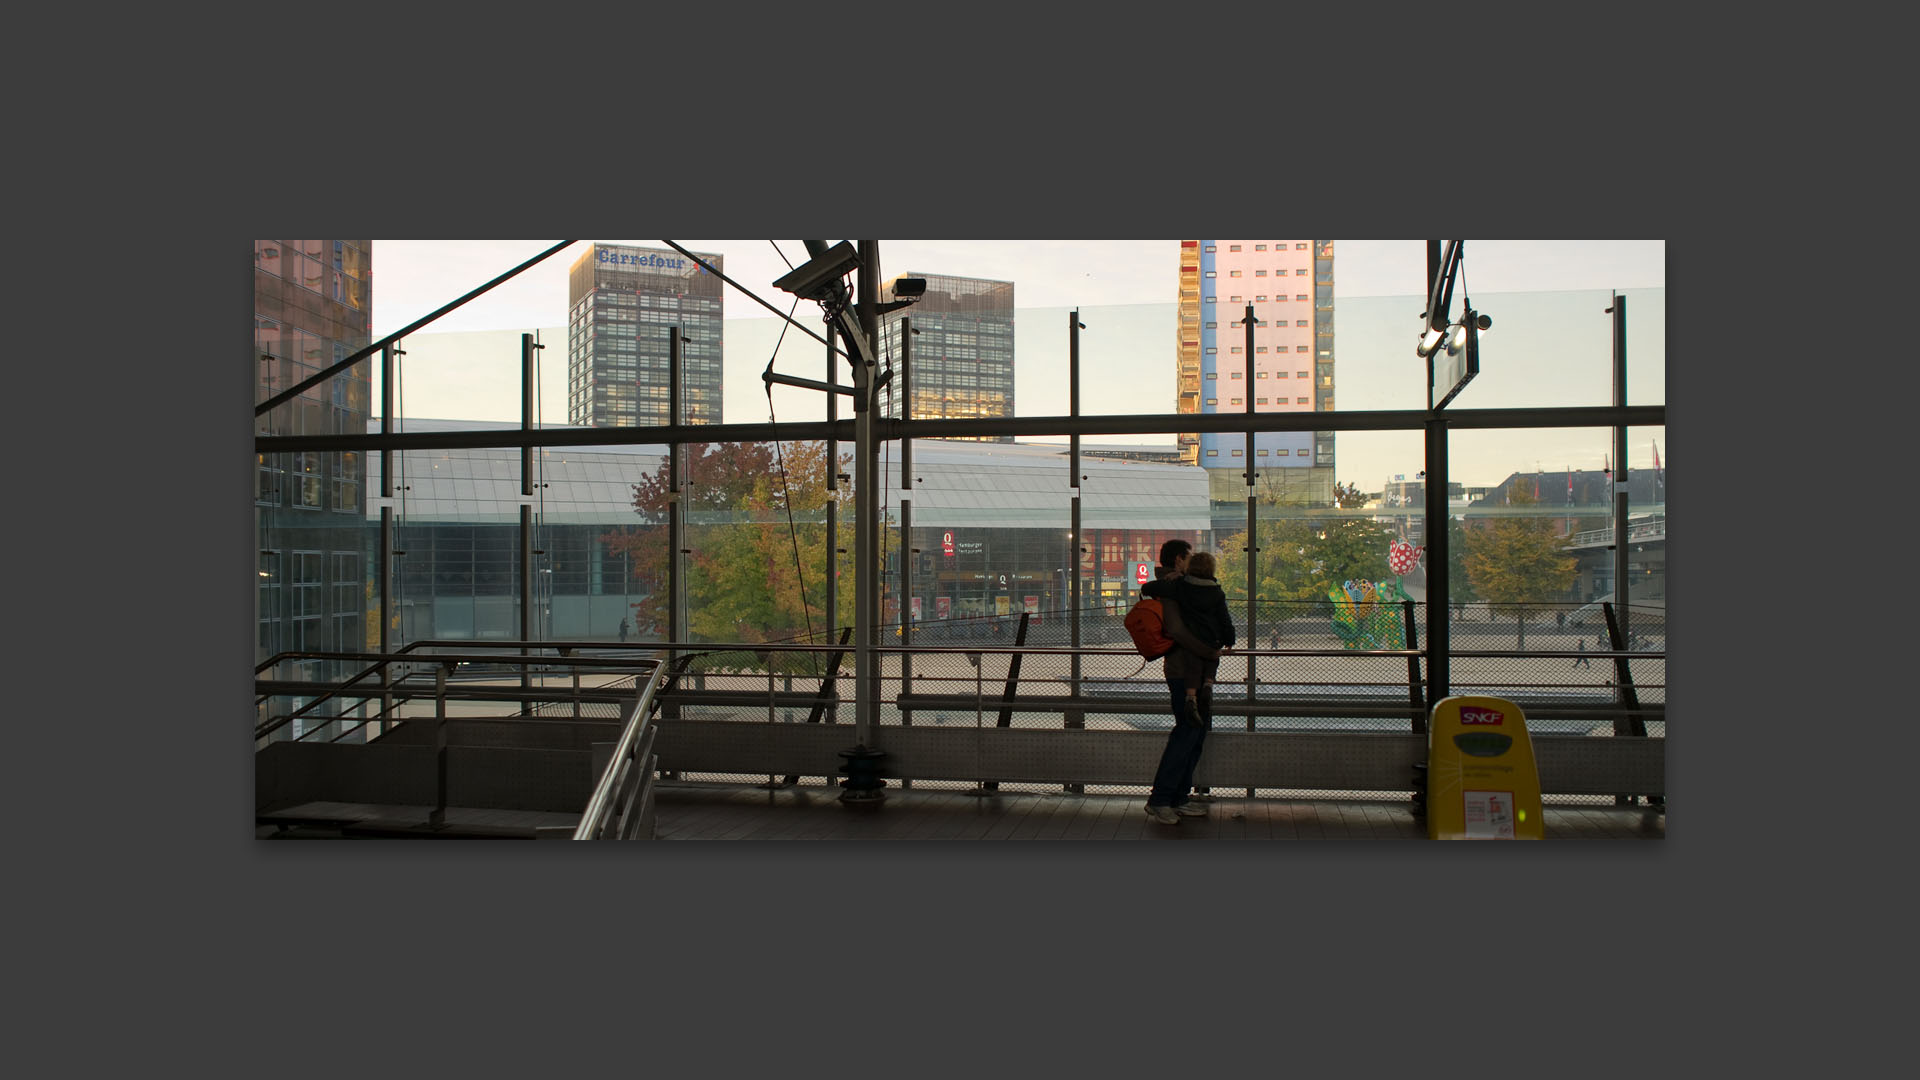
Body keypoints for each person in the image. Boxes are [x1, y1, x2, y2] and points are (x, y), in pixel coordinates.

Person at [1140, 540, 1232, 825]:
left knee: (1196, 731)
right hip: (1182, 670)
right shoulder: (1173, 587)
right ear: (1179, 560)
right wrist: (1209, 651)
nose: (1191, 562)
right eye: (1188, 557)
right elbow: (1178, 630)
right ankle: (1161, 799)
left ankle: (1178, 797)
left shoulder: (1180, 584)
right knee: (1186, 733)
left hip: (1187, 669)